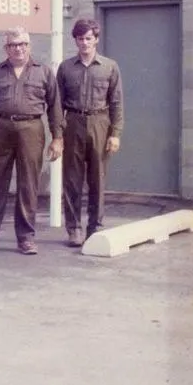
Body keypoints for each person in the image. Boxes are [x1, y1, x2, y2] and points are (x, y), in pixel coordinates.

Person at [0, 26, 63, 255]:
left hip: (32, 128)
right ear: (6, 48)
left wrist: (58, 138)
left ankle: (26, 239)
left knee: (28, 185)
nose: (18, 48)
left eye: (22, 44)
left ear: (29, 46)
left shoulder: (43, 72)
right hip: (1, 128)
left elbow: (55, 108)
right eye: (13, 45)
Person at [56, 18, 124, 246]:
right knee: (72, 180)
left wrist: (115, 133)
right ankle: (74, 229)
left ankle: (95, 227)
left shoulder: (109, 66)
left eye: (88, 38)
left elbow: (116, 102)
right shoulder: (65, 68)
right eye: (80, 38)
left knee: (98, 179)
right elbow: (58, 105)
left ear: (96, 39)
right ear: (75, 40)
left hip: (99, 123)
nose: (84, 43)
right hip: (73, 123)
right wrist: (58, 134)